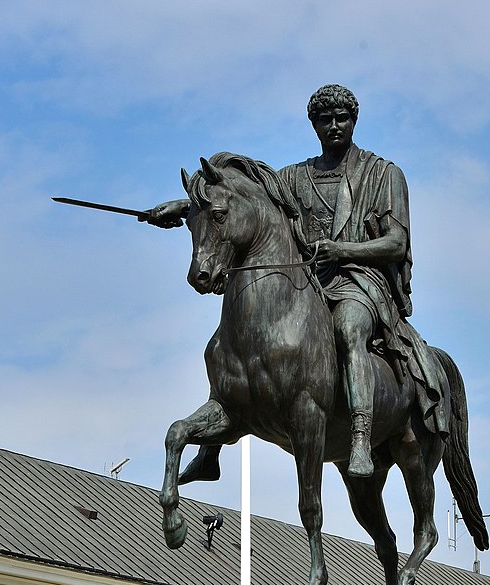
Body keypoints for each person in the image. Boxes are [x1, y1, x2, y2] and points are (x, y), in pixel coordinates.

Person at [144, 84, 444, 478]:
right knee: (234, 339)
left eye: (342, 118)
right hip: (309, 283)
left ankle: (359, 437)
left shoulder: (383, 174)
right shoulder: (293, 178)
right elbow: (235, 201)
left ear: (354, 121)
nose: (334, 126)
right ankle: (213, 445)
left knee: (348, 328)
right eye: (324, 120)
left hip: (360, 282)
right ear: (313, 126)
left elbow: (396, 242)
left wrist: (344, 251)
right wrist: (184, 207)